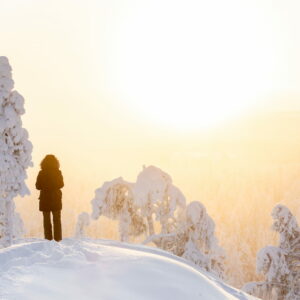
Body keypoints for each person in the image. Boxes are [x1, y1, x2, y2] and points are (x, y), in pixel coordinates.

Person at [36, 154, 64, 241]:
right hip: (55, 198)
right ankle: (58, 239)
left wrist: (45, 186)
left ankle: (48, 239)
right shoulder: (58, 172)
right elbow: (61, 184)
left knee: (46, 220)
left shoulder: (41, 173)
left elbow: (37, 186)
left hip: (45, 198)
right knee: (57, 220)